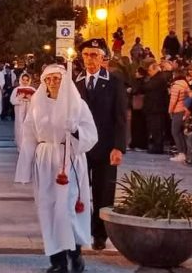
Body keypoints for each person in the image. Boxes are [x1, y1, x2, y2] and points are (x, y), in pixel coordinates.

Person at [16, 64, 97, 273]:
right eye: (48, 79)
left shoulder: (77, 105)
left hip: (68, 161)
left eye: (57, 78)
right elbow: (29, 135)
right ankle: (57, 260)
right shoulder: (37, 105)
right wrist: (25, 167)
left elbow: (91, 135)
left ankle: (75, 253)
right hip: (45, 162)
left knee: (68, 210)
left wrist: (76, 130)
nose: (52, 82)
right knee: (49, 210)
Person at [74, 38, 127, 251]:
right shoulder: (75, 82)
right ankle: (81, 230)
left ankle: (100, 234)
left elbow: (121, 117)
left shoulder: (114, 82)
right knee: (78, 191)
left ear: (103, 57)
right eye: (86, 55)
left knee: (104, 192)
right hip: (81, 147)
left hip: (106, 147)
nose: (90, 59)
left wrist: (119, 147)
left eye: (94, 55)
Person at [142, 62, 169, 155]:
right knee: (154, 128)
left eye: (150, 70)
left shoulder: (159, 78)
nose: (149, 72)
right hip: (153, 107)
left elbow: (147, 87)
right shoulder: (156, 78)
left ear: (155, 69)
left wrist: (146, 81)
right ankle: (156, 145)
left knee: (157, 128)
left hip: (156, 108)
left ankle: (158, 147)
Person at [168, 69, 191, 162]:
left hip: (177, 110)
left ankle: (181, 153)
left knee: (175, 132)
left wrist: (170, 110)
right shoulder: (185, 84)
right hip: (184, 109)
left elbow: (173, 100)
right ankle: (185, 152)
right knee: (181, 132)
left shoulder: (176, 86)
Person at [10, 73, 36, 151]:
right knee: (20, 128)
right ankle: (20, 146)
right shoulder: (16, 89)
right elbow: (12, 101)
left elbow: (38, 102)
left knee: (29, 128)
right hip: (19, 111)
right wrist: (19, 98)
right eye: (23, 80)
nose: (25, 81)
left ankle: (29, 146)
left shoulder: (33, 89)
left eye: (27, 80)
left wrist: (31, 99)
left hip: (29, 111)